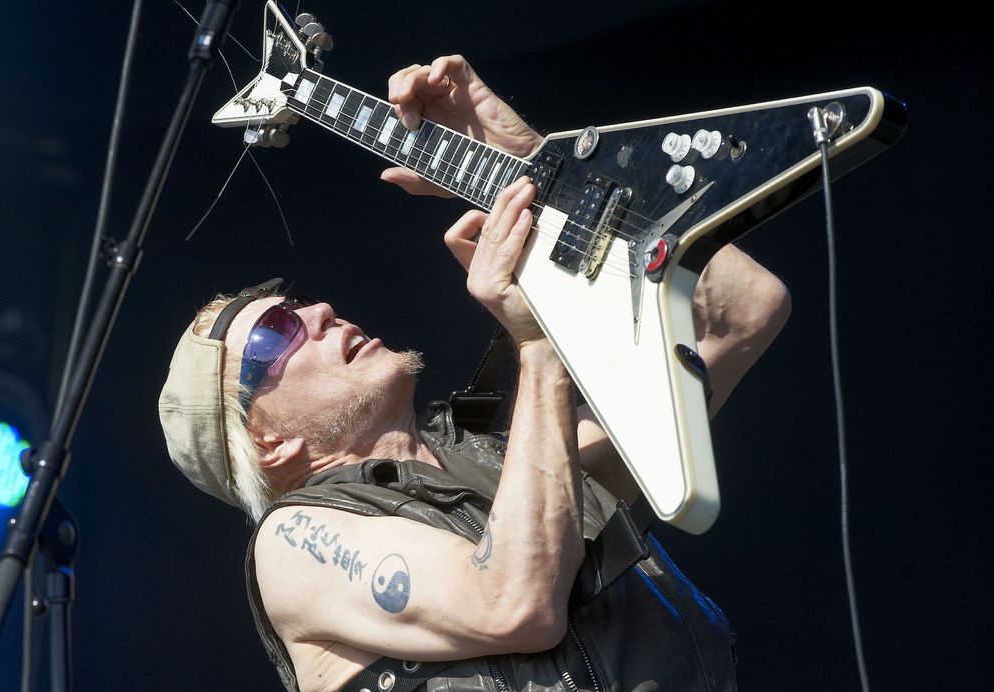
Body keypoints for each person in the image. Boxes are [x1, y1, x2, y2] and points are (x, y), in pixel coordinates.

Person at [158, 56, 791, 691]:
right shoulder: (292, 543)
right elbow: (514, 604)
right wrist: (539, 341)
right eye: (279, 333)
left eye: (300, 305)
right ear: (268, 441)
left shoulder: (510, 459)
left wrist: (532, 172)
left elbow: (740, 315)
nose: (319, 312)